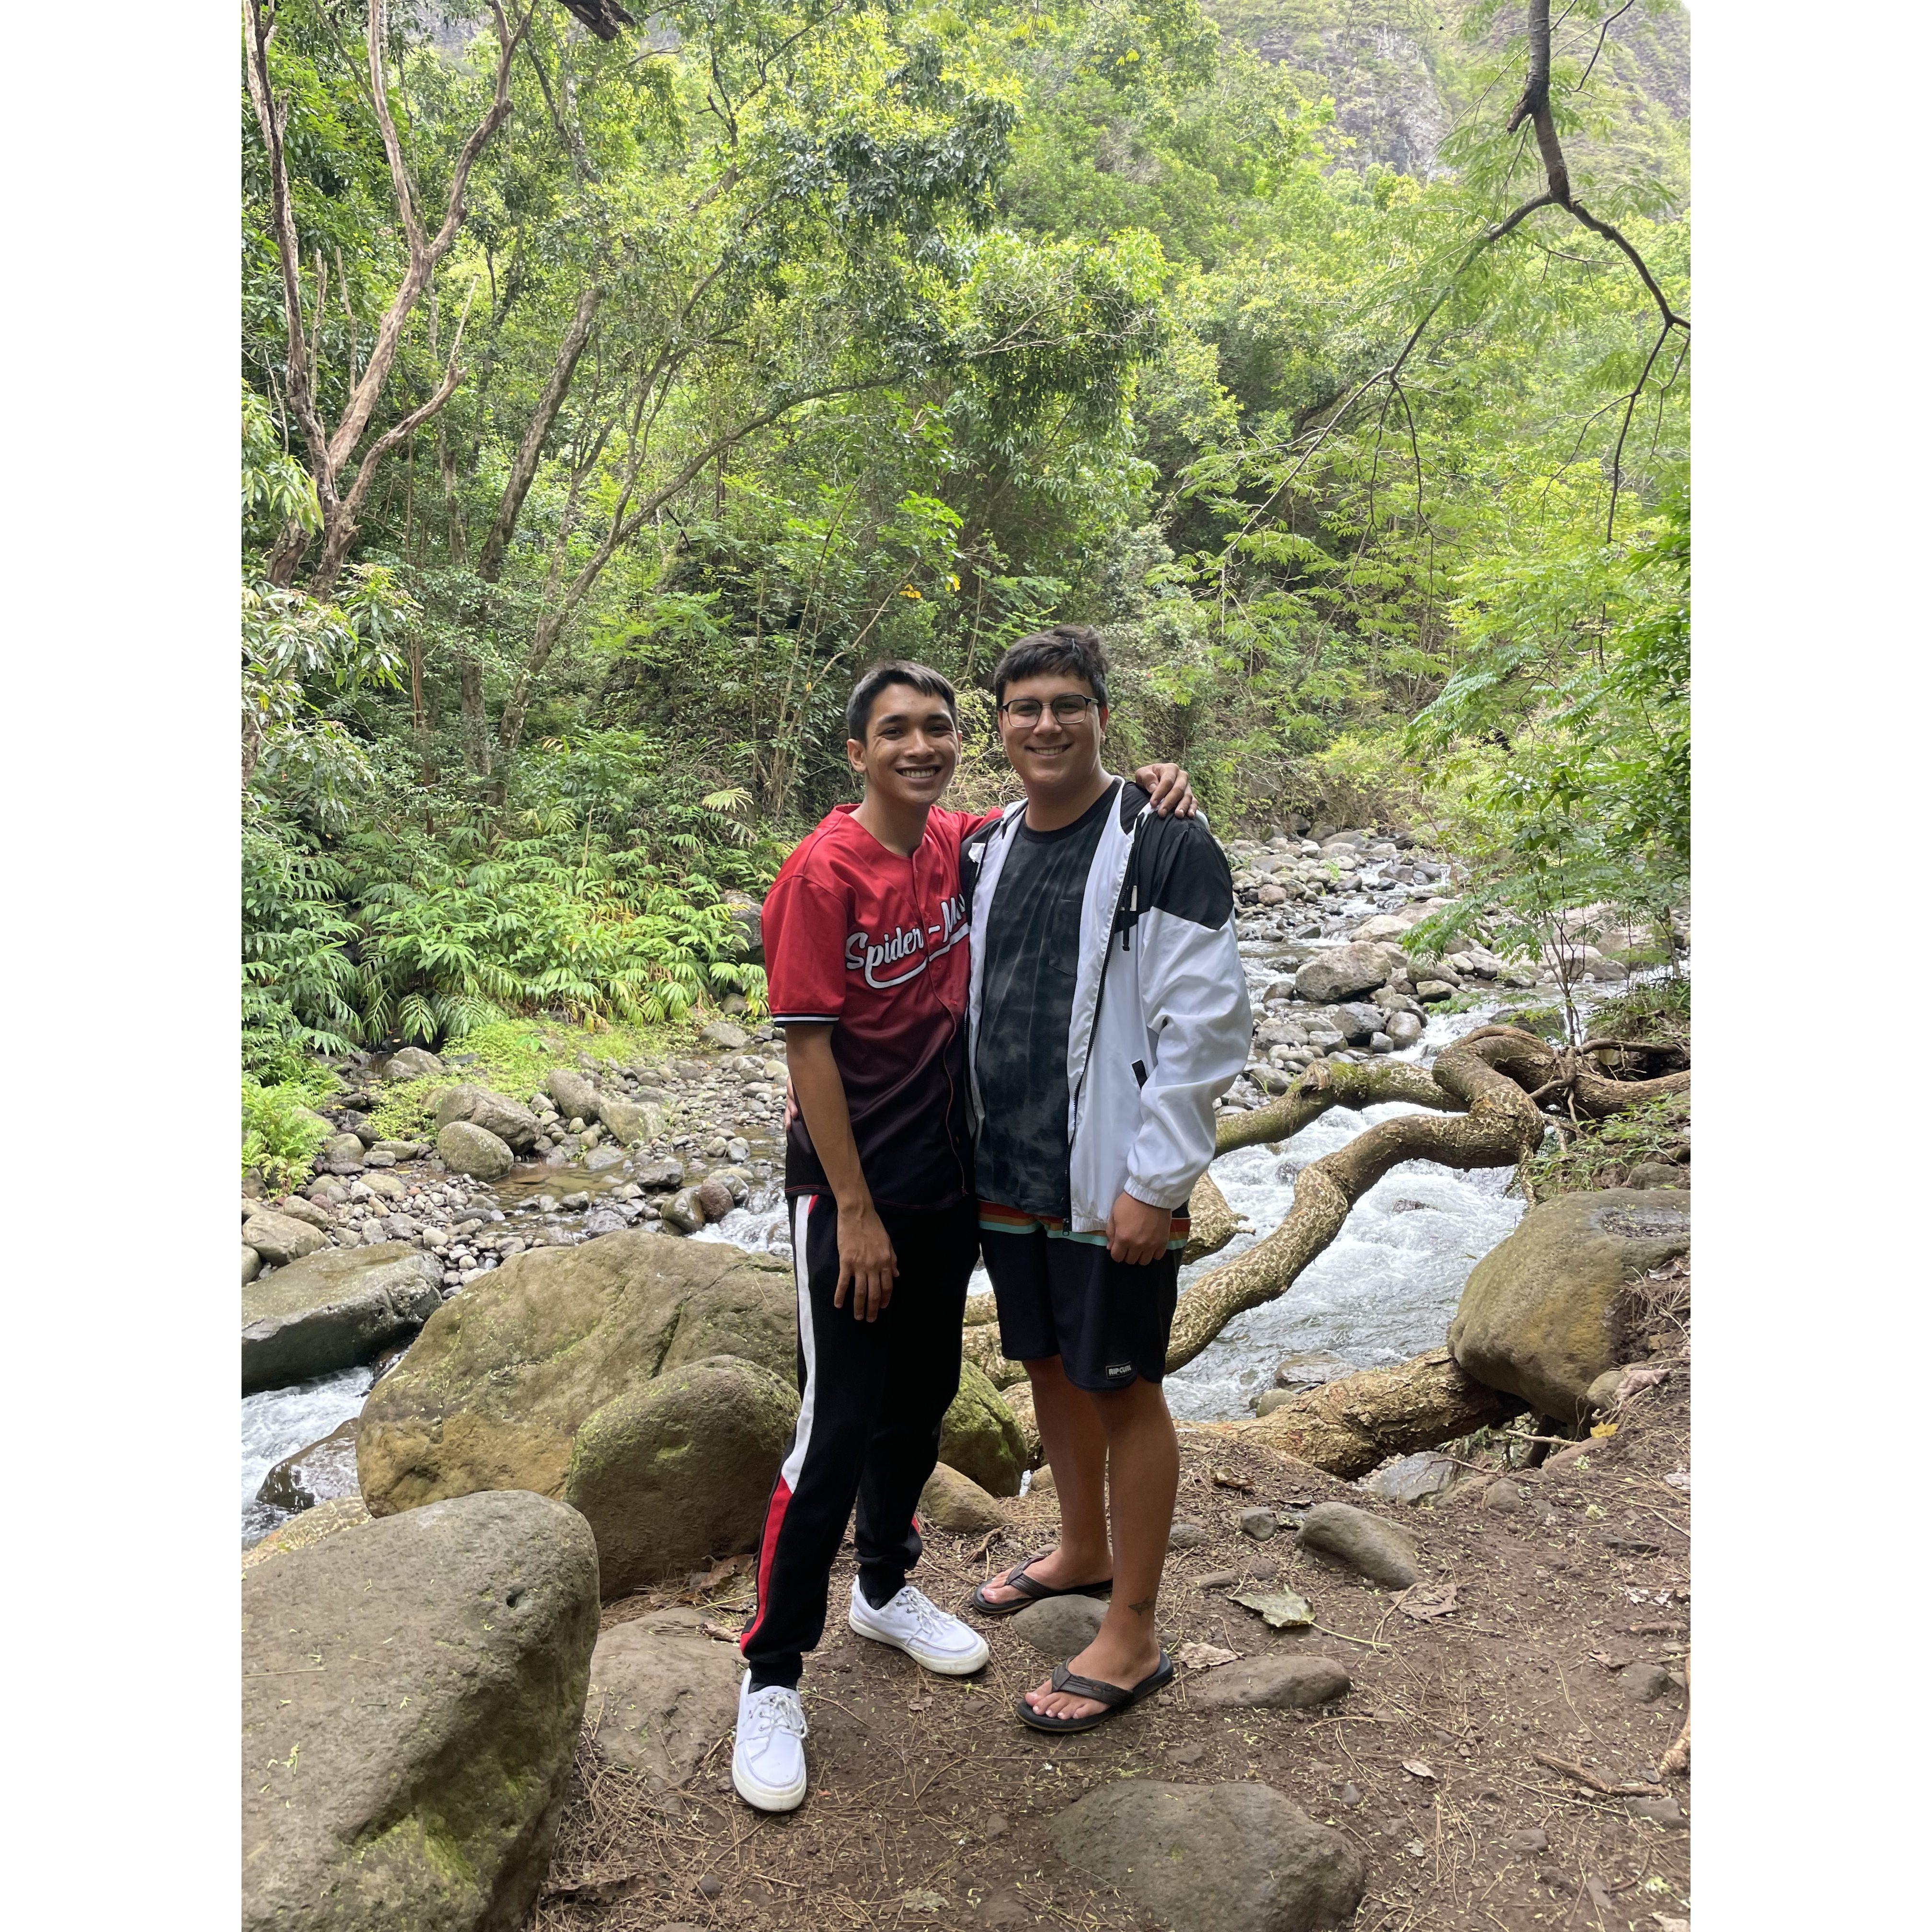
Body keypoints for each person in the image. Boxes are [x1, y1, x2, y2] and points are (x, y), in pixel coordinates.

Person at [731, 658, 1196, 1812]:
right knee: (834, 1426)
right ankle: (771, 1674)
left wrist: (1153, 786)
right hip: (850, 1194)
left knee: (922, 1399)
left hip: (948, 1187)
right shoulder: (821, 873)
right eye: (895, 731)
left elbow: (1064, 805)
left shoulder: (959, 845)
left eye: (937, 728)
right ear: (856, 751)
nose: (920, 746)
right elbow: (806, 1049)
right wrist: (854, 1210)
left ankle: (884, 1587)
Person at [959, 624, 1251, 1734]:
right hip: (1007, 1165)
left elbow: (1208, 1027)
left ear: (1102, 718)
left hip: (1112, 1174)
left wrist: (1160, 1181)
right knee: (1046, 1361)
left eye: (1066, 705)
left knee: (1124, 1387)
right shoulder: (987, 847)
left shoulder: (1163, 841)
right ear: (1000, 725)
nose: (1045, 724)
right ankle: (1081, 1547)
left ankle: (1131, 1629)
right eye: (1024, 707)